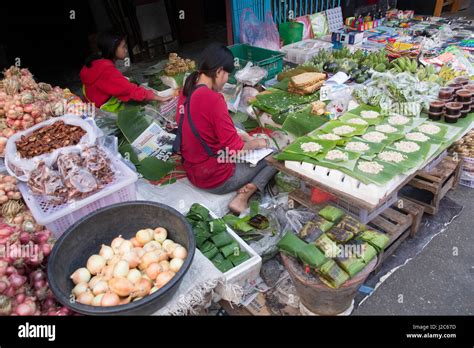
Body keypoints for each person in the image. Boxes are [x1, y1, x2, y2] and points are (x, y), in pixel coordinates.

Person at [173, 43, 277, 214]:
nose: (227, 79)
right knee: (276, 156)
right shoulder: (214, 99)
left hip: (193, 171)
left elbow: (196, 125)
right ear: (219, 71)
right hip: (216, 179)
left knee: (237, 126)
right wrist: (257, 143)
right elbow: (235, 150)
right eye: (227, 74)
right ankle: (243, 197)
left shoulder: (188, 90)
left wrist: (241, 137)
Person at [80, 31, 170, 113]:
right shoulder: (107, 71)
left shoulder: (96, 62)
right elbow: (130, 91)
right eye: (123, 47)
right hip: (106, 111)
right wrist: (159, 98)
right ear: (112, 49)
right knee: (148, 109)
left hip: (94, 106)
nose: (126, 50)